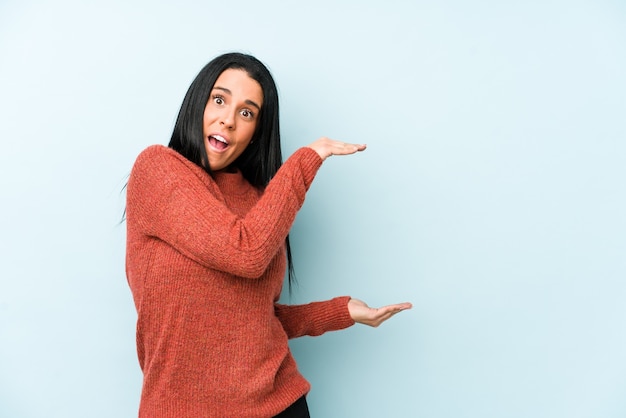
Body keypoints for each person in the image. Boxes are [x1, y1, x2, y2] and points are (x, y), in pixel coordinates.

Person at [125, 52, 412, 418]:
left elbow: (250, 319)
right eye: (219, 99)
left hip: (281, 406)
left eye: (247, 113)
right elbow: (245, 252)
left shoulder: (261, 200)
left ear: (256, 130)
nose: (228, 120)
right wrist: (308, 157)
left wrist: (340, 311)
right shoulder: (157, 170)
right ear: (198, 101)